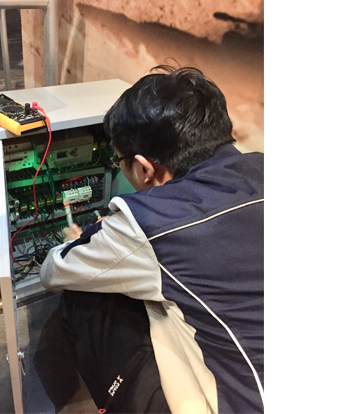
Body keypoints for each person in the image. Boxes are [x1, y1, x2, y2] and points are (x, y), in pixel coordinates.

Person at [40, 66, 264, 413]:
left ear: (145, 168)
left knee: (81, 298)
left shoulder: (149, 222)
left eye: (119, 162)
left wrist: (87, 237)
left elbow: (54, 271)